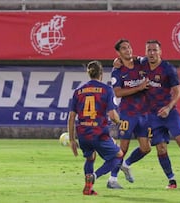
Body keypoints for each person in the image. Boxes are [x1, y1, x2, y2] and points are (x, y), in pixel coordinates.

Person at [142, 39, 180, 189]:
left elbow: (178, 92)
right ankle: (171, 180)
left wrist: (169, 107)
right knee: (161, 148)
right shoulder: (142, 64)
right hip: (152, 115)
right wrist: (118, 61)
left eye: (154, 50)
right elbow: (128, 61)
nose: (151, 53)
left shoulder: (168, 69)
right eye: (149, 50)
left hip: (169, 112)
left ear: (160, 52)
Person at [67, 60, 123, 195]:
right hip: (99, 133)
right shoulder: (106, 89)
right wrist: (120, 122)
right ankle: (94, 176)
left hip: (83, 134)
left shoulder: (78, 91)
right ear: (101, 74)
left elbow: (71, 117)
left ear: (89, 73)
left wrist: (72, 140)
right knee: (118, 156)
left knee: (90, 157)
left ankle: (88, 188)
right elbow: (112, 114)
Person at [108, 39, 151, 189]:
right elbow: (117, 92)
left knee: (146, 148)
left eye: (129, 47)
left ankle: (126, 164)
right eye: (124, 49)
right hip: (127, 113)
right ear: (118, 53)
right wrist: (139, 87)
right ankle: (112, 179)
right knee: (123, 147)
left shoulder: (141, 63)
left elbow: (153, 61)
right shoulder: (117, 71)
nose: (128, 50)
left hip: (143, 112)